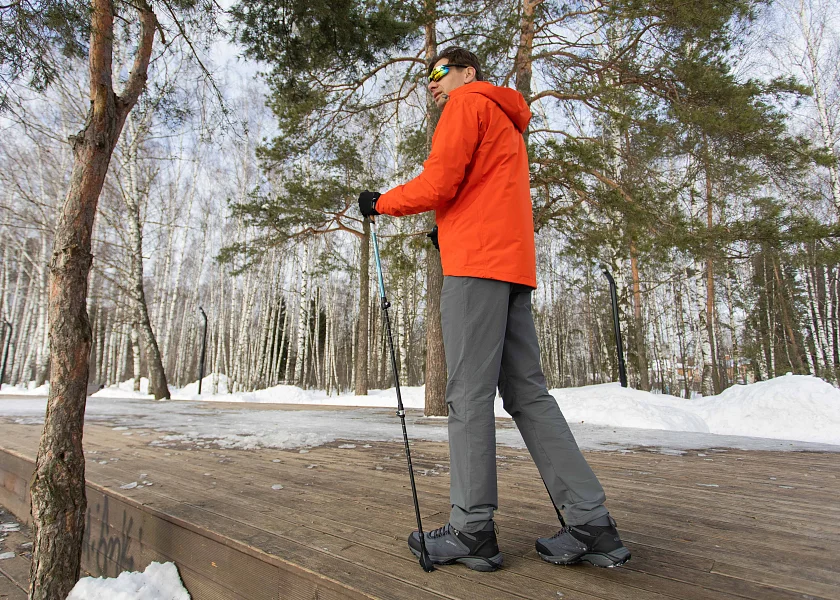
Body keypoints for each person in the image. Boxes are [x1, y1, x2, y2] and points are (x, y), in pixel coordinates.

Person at [358, 47, 630, 572]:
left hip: (476, 270)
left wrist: (380, 202)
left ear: (468, 73)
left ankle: (471, 529)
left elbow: (439, 183)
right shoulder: (506, 119)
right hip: (511, 268)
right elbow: (479, 192)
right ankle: (593, 524)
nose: (433, 85)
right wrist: (449, 227)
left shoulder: (467, 105)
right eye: (428, 79)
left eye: (441, 73)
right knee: (529, 394)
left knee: (467, 394)